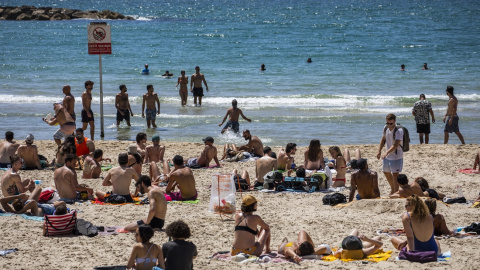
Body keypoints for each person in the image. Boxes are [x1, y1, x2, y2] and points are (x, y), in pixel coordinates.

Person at [377, 113, 404, 194]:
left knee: (395, 175)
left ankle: (395, 191)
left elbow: (396, 144)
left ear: (395, 121)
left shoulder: (399, 130)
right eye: (387, 123)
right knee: (386, 172)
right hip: (387, 155)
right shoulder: (386, 128)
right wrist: (379, 151)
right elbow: (383, 139)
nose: (389, 125)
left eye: (391, 123)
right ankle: (393, 189)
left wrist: (386, 152)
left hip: (396, 156)